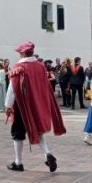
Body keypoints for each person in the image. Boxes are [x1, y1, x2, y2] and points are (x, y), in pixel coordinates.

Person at [5, 41, 66, 172]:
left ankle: (18, 162)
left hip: (22, 106)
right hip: (37, 103)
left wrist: (8, 105)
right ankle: (48, 154)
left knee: (17, 133)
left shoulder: (19, 66)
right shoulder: (40, 66)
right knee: (38, 131)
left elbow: (13, 88)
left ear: (22, 52)